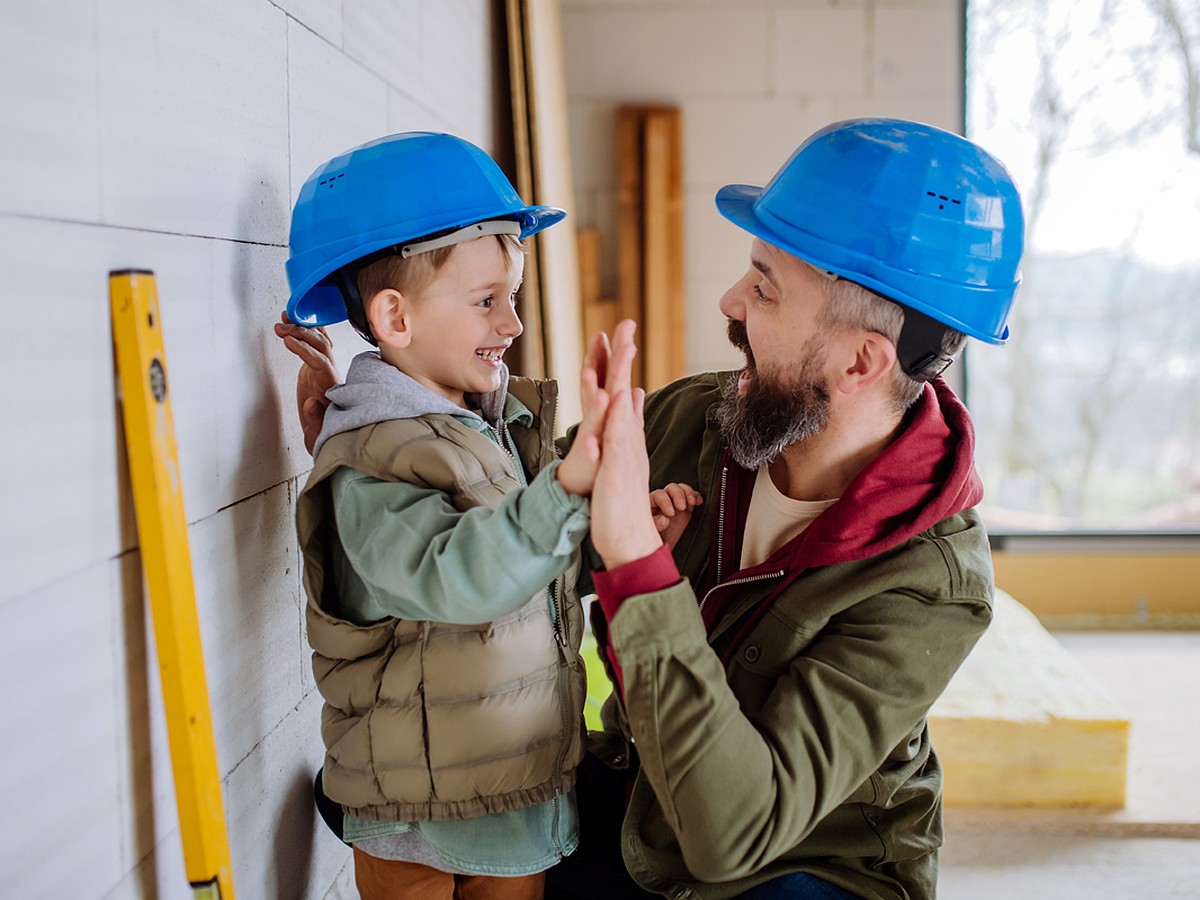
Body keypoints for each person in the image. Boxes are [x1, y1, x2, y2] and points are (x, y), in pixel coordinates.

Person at [283, 117, 1025, 899]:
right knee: (410, 791)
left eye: (765, 289)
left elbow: (731, 834)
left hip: (794, 862)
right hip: (646, 808)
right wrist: (380, 427)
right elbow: (506, 519)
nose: (729, 301)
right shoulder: (698, 419)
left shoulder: (931, 582)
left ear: (861, 360)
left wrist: (638, 562)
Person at [281, 130, 633, 900]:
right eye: (485, 302)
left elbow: (532, 572)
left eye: (511, 298)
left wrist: (615, 535)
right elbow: (462, 579)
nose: (510, 324)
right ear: (396, 320)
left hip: (511, 797)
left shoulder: (482, 431)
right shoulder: (371, 458)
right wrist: (566, 490)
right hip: (420, 818)